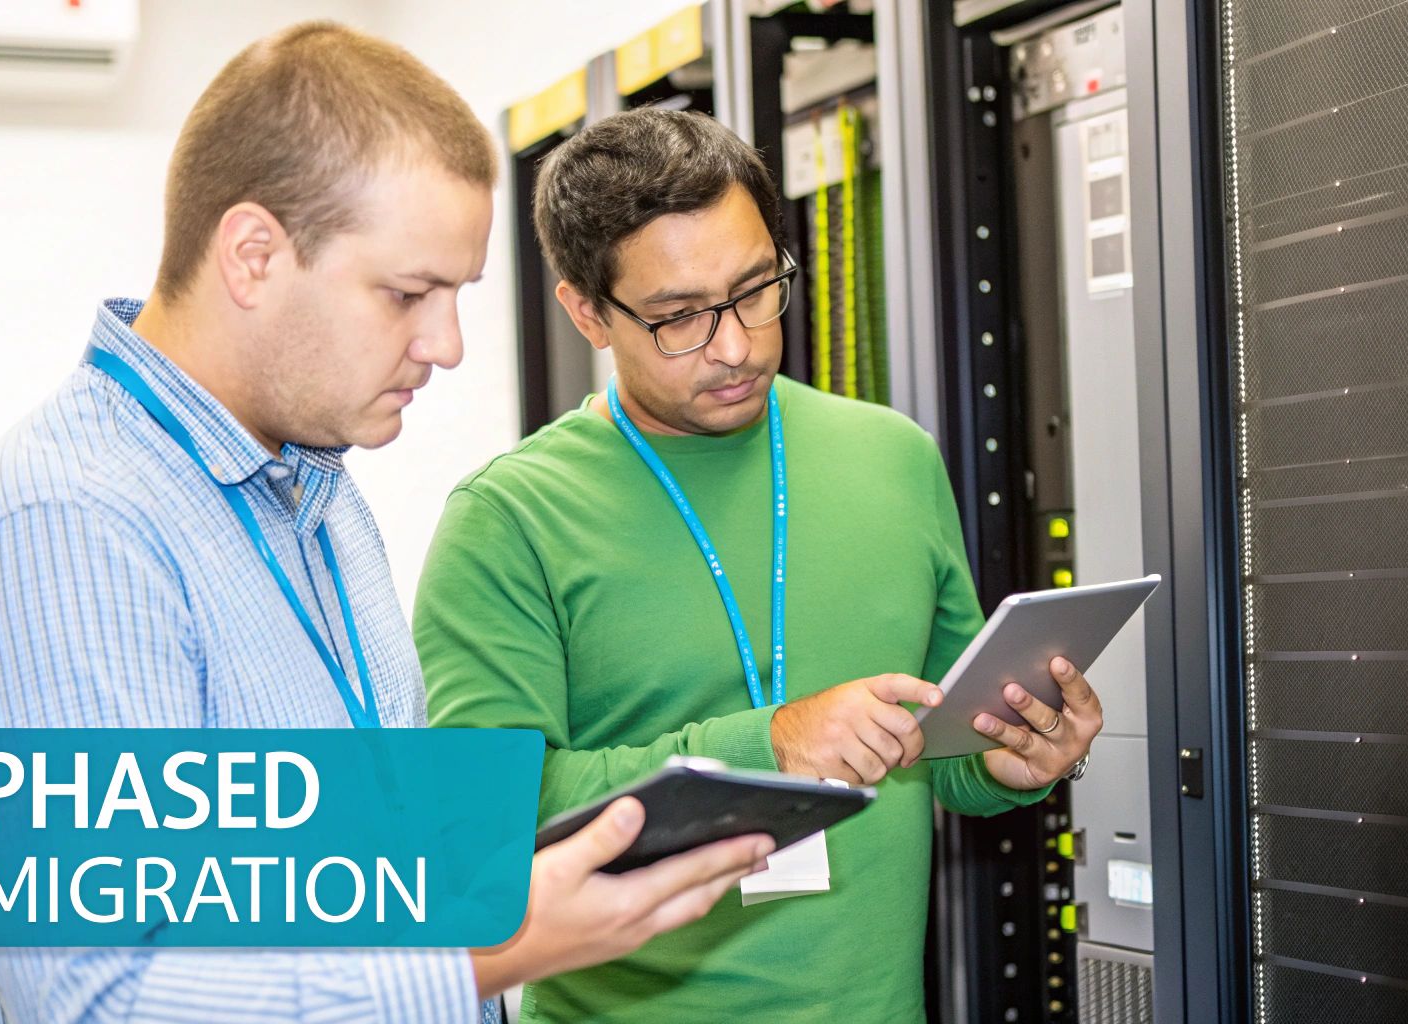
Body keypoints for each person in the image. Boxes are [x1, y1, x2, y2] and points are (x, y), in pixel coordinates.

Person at [0, 25, 773, 1024]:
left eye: (456, 294)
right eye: (407, 294)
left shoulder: (318, 499)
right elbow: (107, 997)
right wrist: (494, 947)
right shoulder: (55, 536)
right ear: (254, 256)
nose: (445, 345)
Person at [413, 108, 1104, 1023]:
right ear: (586, 310)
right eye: (679, 318)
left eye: (753, 291)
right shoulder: (508, 519)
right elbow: (483, 820)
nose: (735, 345)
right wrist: (769, 744)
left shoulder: (893, 458)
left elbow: (948, 743)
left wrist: (1020, 759)